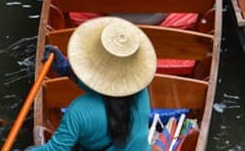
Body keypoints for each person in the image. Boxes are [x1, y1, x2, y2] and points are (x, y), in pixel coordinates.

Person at [26, 17, 155, 151]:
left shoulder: (80, 110)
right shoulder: (141, 91)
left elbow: (56, 149)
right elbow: (111, 91)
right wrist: (68, 71)